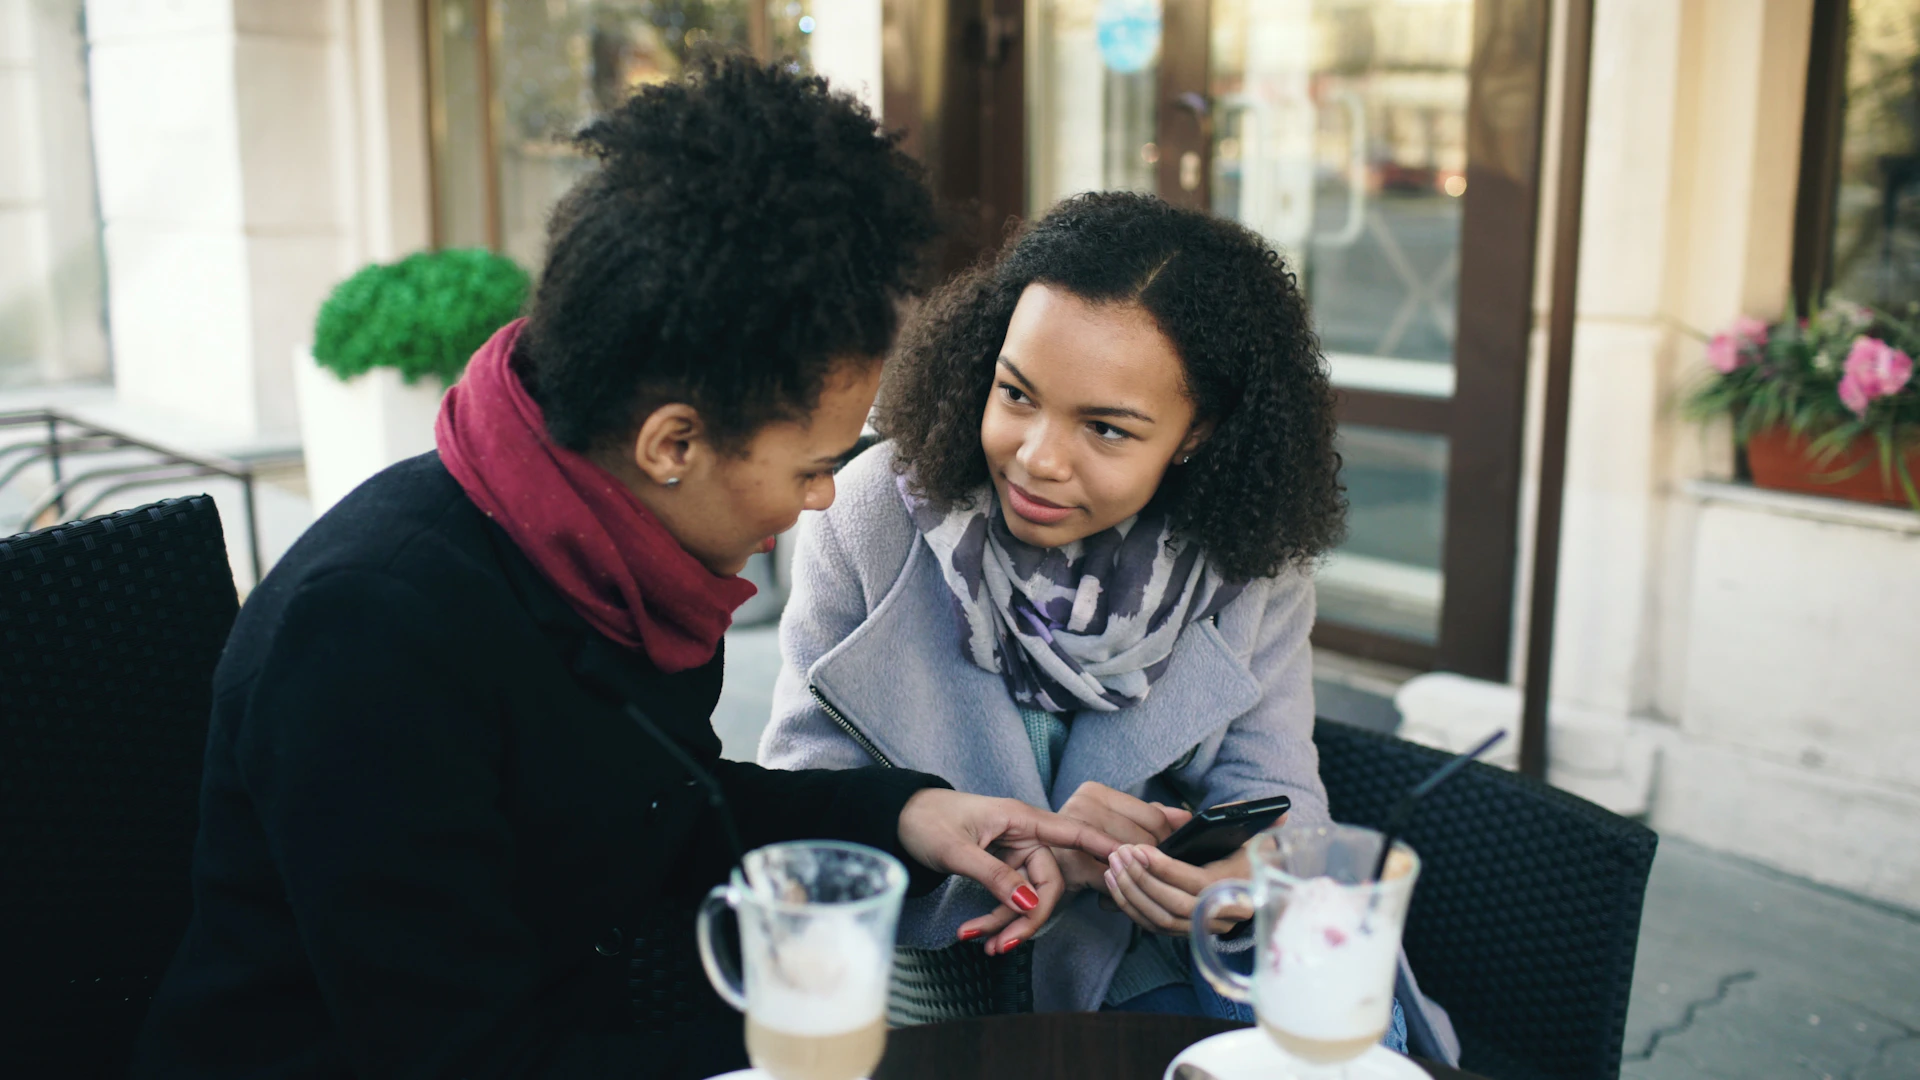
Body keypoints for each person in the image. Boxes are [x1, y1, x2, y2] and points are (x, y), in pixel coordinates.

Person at [132, 60, 1116, 1080]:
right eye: (812, 465)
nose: (822, 498)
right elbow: (463, 1050)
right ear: (672, 445)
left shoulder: (609, 546)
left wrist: (905, 813)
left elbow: (650, 810)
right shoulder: (371, 637)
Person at [759, 192, 1460, 1064]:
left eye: (1105, 428)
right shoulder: (865, 517)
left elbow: (1280, 799)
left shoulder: (1248, 563)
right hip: (945, 989)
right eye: (1015, 393)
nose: (1039, 456)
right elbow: (799, 809)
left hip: (1154, 974)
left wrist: (1235, 882)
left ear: (1196, 432)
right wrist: (1018, 856)